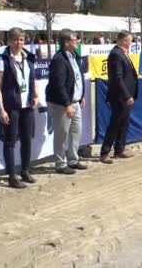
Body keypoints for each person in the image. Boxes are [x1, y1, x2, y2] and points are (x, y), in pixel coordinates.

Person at [0, 27, 40, 188]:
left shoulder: (28, 58)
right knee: (10, 141)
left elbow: (32, 79)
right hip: (11, 105)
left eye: (21, 40)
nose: (19, 43)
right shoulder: (3, 60)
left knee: (27, 139)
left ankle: (25, 171)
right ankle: (12, 176)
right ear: (9, 41)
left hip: (27, 105)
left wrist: (35, 93)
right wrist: (1, 109)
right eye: (15, 40)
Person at [46, 29, 88, 175]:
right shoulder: (59, 59)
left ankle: (73, 159)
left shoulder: (74, 56)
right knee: (62, 134)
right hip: (63, 104)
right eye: (74, 39)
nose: (77, 41)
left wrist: (81, 95)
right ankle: (60, 163)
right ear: (66, 42)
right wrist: (67, 104)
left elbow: (77, 78)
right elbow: (58, 85)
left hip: (75, 101)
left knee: (76, 132)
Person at [99, 31, 139, 164]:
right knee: (115, 123)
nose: (131, 43)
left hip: (126, 95)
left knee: (124, 122)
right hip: (119, 96)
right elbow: (118, 78)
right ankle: (105, 152)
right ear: (122, 40)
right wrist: (127, 95)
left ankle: (119, 149)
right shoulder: (116, 54)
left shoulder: (124, 53)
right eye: (129, 40)